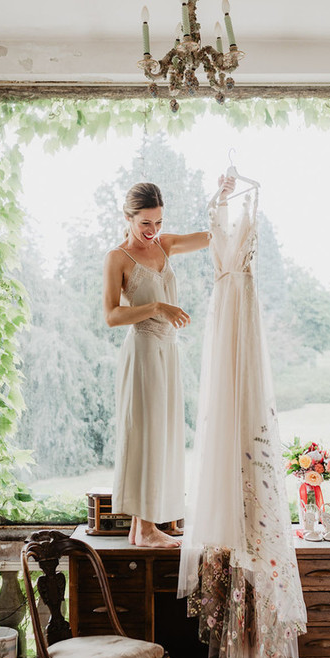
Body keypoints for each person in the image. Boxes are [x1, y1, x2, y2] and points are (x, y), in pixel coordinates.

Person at [103, 176, 234, 548]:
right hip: (142, 351)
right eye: (145, 222)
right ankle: (144, 529)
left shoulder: (166, 245)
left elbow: (213, 235)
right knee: (146, 432)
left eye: (158, 222)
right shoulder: (117, 258)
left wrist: (221, 197)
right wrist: (157, 307)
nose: (153, 230)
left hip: (167, 351)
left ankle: (143, 527)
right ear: (128, 217)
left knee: (163, 432)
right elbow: (111, 316)